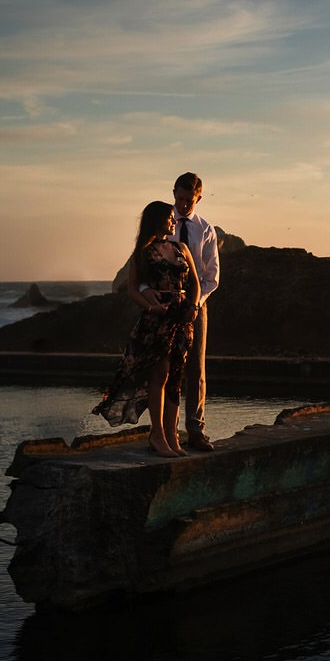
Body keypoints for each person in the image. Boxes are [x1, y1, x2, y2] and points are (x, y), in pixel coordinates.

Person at [94, 200, 201, 456]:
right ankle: (157, 434)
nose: (173, 221)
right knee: (161, 375)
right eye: (169, 218)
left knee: (176, 377)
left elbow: (195, 284)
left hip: (182, 317)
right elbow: (133, 289)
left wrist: (194, 307)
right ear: (156, 220)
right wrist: (152, 308)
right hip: (157, 320)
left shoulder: (181, 248)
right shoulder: (143, 252)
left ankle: (172, 435)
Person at [170, 171, 222, 451]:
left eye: (189, 200)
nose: (183, 205)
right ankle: (167, 431)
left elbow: (211, 276)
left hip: (197, 303)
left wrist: (194, 303)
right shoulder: (163, 223)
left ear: (198, 198)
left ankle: (195, 430)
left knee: (196, 368)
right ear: (173, 193)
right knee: (165, 368)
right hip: (165, 303)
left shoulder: (205, 229)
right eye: (179, 199)